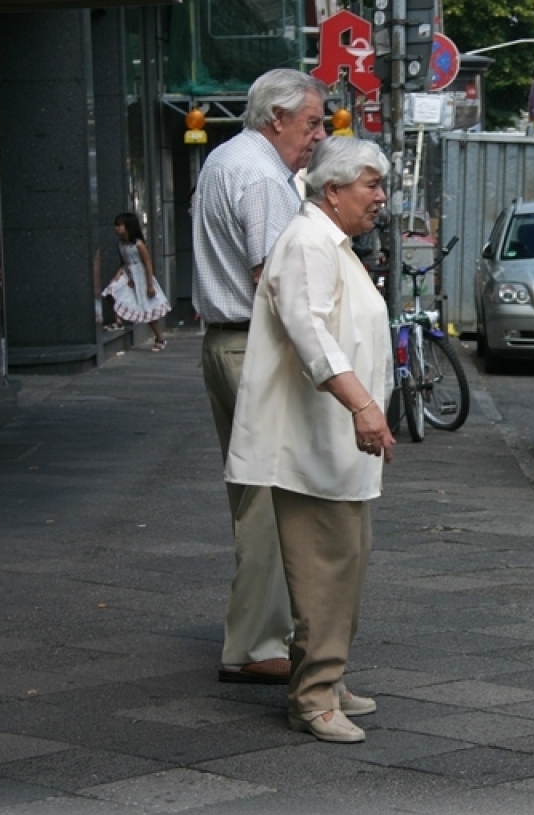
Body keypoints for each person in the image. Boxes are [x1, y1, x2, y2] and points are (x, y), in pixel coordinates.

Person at [225, 135, 394, 743]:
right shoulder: (307, 244)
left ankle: (326, 674)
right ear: (334, 190)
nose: (380, 197)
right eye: (371, 184)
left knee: (345, 563)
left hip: (337, 444)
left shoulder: (331, 243)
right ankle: (313, 697)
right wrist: (363, 405)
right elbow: (311, 333)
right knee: (324, 569)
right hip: (314, 441)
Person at [192, 68, 329, 685]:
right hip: (254, 347)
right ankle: (254, 645)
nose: (319, 136)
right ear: (277, 118)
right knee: (269, 502)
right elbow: (280, 282)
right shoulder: (263, 177)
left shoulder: (225, 159)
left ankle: (258, 635)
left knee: (253, 495)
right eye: (311, 123)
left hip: (226, 344)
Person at [103, 213, 170, 350]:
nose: (116, 228)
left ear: (128, 226)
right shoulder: (121, 245)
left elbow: (147, 263)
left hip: (141, 278)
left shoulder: (138, 244)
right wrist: (118, 275)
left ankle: (160, 337)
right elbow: (124, 263)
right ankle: (118, 320)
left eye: (119, 225)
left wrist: (150, 285)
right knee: (110, 291)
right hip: (128, 274)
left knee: (147, 308)